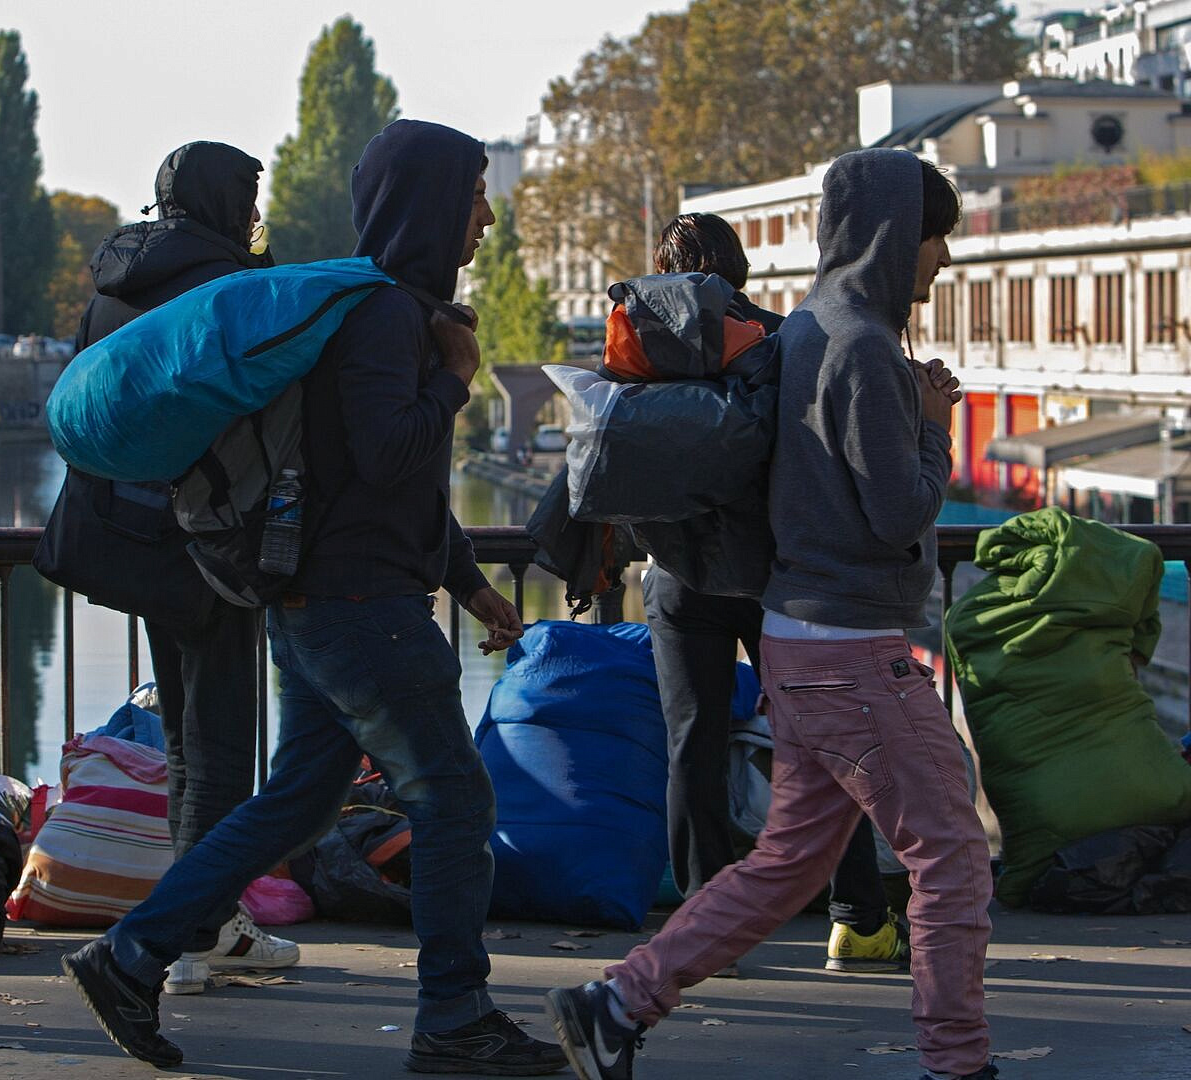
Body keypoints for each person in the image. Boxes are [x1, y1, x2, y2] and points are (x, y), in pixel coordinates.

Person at [63, 120, 564, 1076]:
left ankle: (130, 953)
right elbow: (387, 453)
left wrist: (467, 583)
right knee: (456, 799)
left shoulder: (381, 307)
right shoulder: (382, 317)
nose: (486, 220)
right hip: (360, 610)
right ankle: (453, 1013)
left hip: (320, 605)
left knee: (298, 798)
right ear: (427, 205)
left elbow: (380, 486)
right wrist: (456, 383)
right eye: (473, 198)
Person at [549, 151, 995, 1080]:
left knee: (789, 861)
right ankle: (960, 1065)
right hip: (852, 649)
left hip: (796, 637)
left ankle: (616, 1004)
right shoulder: (867, 349)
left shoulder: (806, 334)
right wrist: (933, 424)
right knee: (952, 856)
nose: (942, 258)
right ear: (890, 238)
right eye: (934, 235)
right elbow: (897, 513)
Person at [50, 141, 300, 996]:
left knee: (188, 738)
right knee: (225, 744)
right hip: (215, 541)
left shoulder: (111, 291)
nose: (255, 212)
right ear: (224, 201)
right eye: (248, 196)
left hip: (140, 542)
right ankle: (197, 931)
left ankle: (200, 921)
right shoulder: (222, 290)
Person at [644, 211, 905, 976]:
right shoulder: (785, 338)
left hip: (679, 573)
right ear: (742, 265)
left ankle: (704, 928)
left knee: (691, 744)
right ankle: (857, 917)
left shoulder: (649, 343)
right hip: (775, 573)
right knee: (821, 746)